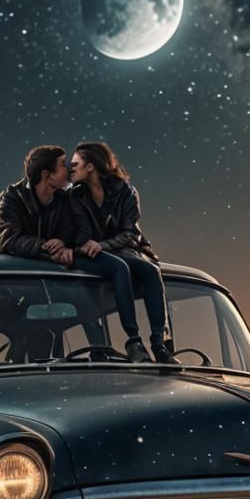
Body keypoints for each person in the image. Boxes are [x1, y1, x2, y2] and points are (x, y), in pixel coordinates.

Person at [68, 141, 176, 364]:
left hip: (123, 247)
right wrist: (92, 245)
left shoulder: (126, 191)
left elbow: (130, 232)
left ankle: (160, 344)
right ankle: (133, 341)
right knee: (121, 269)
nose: (71, 169)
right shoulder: (75, 195)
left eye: (75, 164)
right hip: (97, 253)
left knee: (150, 270)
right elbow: (82, 231)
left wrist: (103, 245)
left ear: (91, 167)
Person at [0, 145, 76, 266]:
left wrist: (62, 241)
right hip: (18, 272)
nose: (69, 168)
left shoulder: (64, 199)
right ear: (46, 174)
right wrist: (48, 247)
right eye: (63, 164)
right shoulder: (13, 199)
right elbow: (9, 240)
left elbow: (71, 232)